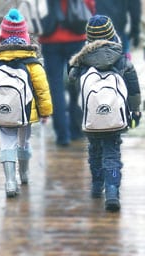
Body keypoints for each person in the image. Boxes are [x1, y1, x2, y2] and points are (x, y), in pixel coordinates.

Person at [67, 14, 141, 211]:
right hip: (115, 117)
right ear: (112, 35)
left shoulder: (81, 63)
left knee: (95, 150)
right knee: (112, 153)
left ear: (89, 39)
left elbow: (71, 83)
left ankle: (97, 185)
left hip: (91, 118)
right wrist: (135, 111)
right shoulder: (123, 61)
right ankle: (112, 190)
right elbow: (133, 89)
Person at [0, 9, 53, 197]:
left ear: (3, 37)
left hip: (2, 112)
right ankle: (24, 173)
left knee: (7, 143)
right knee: (23, 141)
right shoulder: (32, 62)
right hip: (26, 112)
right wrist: (45, 112)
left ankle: (10, 182)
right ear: (25, 36)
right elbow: (42, 89)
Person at [38, 0, 96, 147]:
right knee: (76, 83)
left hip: (50, 37)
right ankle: (75, 129)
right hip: (76, 36)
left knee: (55, 87)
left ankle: (62, 135)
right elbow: (90, 5)